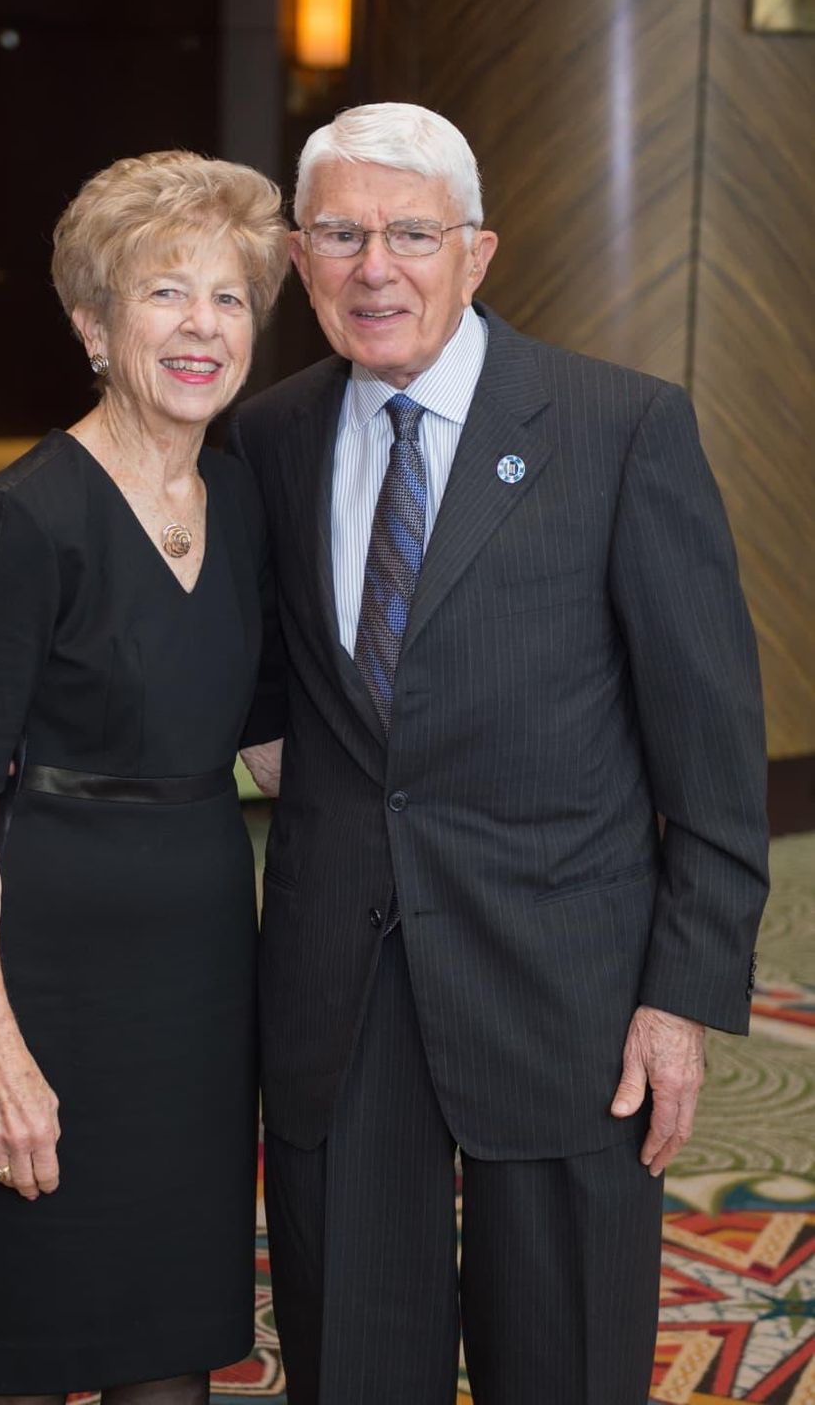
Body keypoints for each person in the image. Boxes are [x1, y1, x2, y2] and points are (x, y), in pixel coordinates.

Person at [232, 103, 769, 1405]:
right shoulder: (265, 438)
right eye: (341, 235)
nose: (375, 268)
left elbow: (711, 753)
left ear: (477, 252)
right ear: (299, 260)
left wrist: (680, 1002)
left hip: (567, 989)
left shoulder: (618, 428)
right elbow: (252, 679)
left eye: (411, 234)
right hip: (339, 986)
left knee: (564, 1360)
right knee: (352, 1362)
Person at [0, 150, 289, 1404]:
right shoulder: (25, 518)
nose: (202, 326)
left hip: (198, 973)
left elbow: (273, 746)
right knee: (30, 1341)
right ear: (92, 324)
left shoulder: (238, 499)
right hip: (47, 971)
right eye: (164, 293)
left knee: (168, 1348)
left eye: (228, 297)